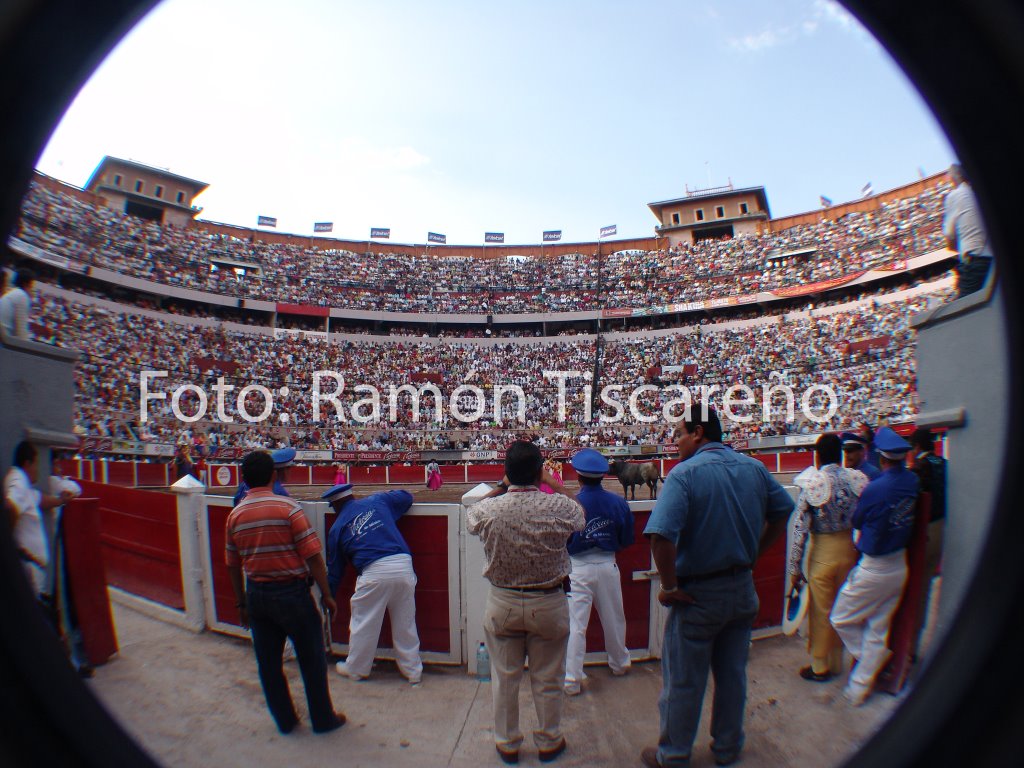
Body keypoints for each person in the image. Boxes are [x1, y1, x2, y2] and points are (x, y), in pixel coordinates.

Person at [640, 405, 793, 768]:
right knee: (733, 677)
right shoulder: (754, 468)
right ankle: (727, 748)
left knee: (684, 682)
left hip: (697, 596)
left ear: (697, 433)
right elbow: (784, 509)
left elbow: (661, 536)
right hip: (742, 589)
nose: (674, 442)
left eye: (678, 433)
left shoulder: (685, 475)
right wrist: (754, 553)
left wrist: (670, 586)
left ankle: (674, 755)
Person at [466, 441, 585, 764]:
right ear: (538, 472)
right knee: (548, 678)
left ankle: (507, 743)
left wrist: (500, 487)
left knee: (505, 678)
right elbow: (580, 514)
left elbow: (472, 515)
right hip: (548, 602)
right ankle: (549, 741)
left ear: (507, 472)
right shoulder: (560, 507)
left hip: (503, 601)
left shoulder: (489, 510)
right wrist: (553, 483)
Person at [224, 450, 344, 734]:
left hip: (256, 595)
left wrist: (241, 603)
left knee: (268, 664)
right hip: (291, 594)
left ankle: (285, 721)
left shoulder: (235, 515)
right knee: (311, 660)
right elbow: (313, 555)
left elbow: (231, 564)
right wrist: (327, 594)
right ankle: (322, 719)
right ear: (273, 475)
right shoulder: (288, 508)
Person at [830, 427, 919, 706]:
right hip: (898, 564)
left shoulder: (876, 487)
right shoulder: (913, 481)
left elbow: (856, 521)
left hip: (875, 568)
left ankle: (874, 659)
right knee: (877, 630)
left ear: (881, 457)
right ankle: (859, 688)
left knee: (840, 618)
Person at [788, 434, 869, 682]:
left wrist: (794, 568)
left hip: (823, 553)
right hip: (849, 550)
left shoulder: (814, 483)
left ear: (817, 455)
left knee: (822, 610)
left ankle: (820, 666)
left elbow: (800, 529)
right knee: (843, 607)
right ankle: (837, 661)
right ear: (842, 454)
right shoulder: (855, 479)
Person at [323, 483, 422, 684]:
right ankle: (413, 671)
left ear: (334, 506)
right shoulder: (377, 501)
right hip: (403, 564)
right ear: (353, 496)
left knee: (364, 622)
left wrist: (329, 596)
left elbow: (335, 572)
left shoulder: (337, 527)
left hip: (373, 572)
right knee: (405, 622)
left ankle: (357, 669)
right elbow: (406, 497)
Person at [563, 448, 634, 696]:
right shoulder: (617, 502)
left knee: (576, 625)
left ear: (579, 477)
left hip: (578, 568)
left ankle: (571, 679)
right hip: (607, 564)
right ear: (603, 476)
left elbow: (564, 541)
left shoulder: (572, 503)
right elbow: (626, 539)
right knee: (614, 618)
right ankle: (619, 664)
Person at [4, 441, 73, 602]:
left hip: (30, 568)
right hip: (28, 568)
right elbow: (9, 507)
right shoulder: (18, 480)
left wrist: (60, 500)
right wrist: (8, 547)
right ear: (27, 464)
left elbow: (39, 499)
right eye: (36, 464)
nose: (38, 470)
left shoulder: (22, 484)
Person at [907, 427, 947, 660]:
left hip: (924, 533)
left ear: (917, 447)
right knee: (926, 588)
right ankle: (914, 641)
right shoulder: (945, 463)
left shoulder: (920, 468)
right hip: (941, 528)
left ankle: (909, 648)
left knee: (915, 591)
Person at [943, 163, 994, 298]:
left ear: (956, 176)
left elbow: (949, 236)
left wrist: (956, 246)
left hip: (976, 261)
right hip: (995, 260)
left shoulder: (955, 195)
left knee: (964, 310)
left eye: (950, 175)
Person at [0, 265, 36, 338]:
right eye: (32, 287)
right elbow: (22, 334)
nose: (32, 290)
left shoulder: (12, 293)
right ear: (27, 284)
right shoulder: (21, 295)